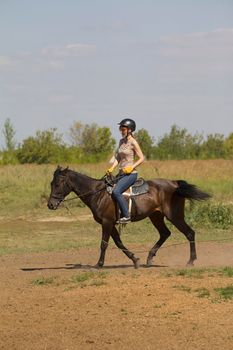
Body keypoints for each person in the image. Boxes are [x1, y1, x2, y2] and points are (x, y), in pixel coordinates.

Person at [107, 118, 145, 223]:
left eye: (123, 128)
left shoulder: (133, 142)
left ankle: (126, 215)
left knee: (116, 191)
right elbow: (118, 157)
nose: (120, 130)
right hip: (121, 173)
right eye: (120, 128)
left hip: (131, 174)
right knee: (107, 188)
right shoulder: (121, 142)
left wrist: (132, 167)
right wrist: (112, 168)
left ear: (129, 130)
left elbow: (142, 158)